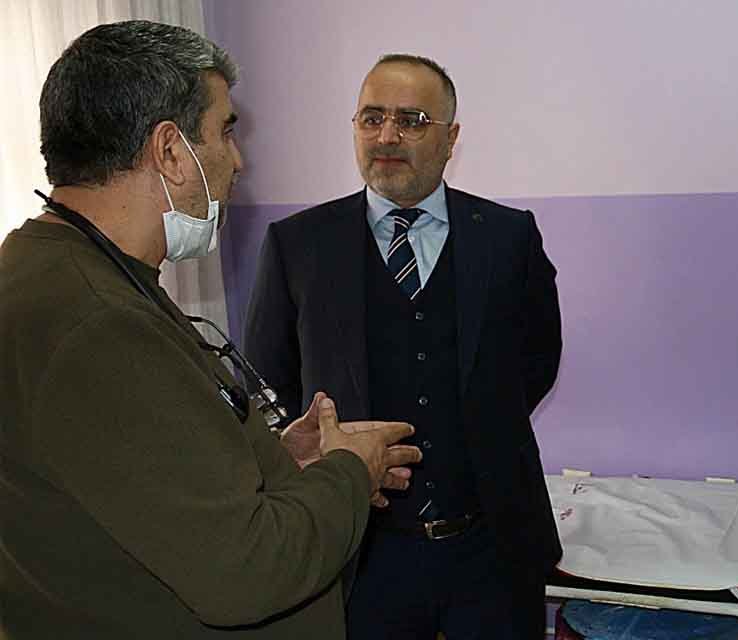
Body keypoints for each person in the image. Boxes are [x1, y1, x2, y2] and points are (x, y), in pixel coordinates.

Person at [0, 20, 422, 639]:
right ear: (171, 152)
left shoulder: (55, 271)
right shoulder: (98, 323)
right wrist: (350, 470)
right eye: (225, 131)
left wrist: (276, 460)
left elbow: (134, 484)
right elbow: (247, 571)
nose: (238, 161)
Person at [244, 54, 563, 639]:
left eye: (412, 120)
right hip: (358, 555)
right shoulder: (298, 245)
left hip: (491, 546)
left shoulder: (508, 237)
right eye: (372, 118)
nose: (387, 136)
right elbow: (270, 384)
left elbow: (538, 360)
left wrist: (481, 424)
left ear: (451, 138)